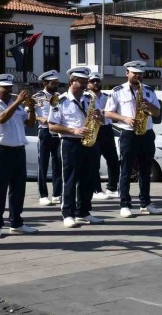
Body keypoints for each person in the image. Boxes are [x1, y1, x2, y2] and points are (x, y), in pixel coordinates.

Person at [0, 74, 39, 238]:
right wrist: (18, 102)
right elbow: (1, 119)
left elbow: (30, 123)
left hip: (19, 150)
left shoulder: (17, 106)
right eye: (5, 88)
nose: (9, 90)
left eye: (10, 88)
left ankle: (16, 222)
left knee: (18, 189)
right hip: (1, 150)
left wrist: (32, 108)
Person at [104, 61, 162, 218]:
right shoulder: (117, 91)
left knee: (145, 170)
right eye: (134, 73)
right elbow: (108, 113)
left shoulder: (149, 90)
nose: (138, 76)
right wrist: (125, 118)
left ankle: (145, 203)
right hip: (129, 133)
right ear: (127, 73)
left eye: (140, 73)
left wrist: (148, 105)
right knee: (126, 169)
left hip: (147, 132)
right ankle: (125, 204)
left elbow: (157, 113)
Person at [49, 67, 106, 228]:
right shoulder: (60, 100)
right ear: (71, 82)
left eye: (85, 82)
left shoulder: (89, 98)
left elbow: (103, 121)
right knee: (70, 179)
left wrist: (99, 117)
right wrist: (73, 130)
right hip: (70, 143)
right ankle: (68, 214)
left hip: (89, 142)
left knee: (88, 178)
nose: (84, 85)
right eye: (80, 82)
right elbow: (52, 126)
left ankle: (84, 212)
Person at [86, 72, 120, 200]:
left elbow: (113, 112)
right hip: (94, 129)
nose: (95, 83)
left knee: (113, 160)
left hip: (107, 129)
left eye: (97, 81)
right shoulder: (85, 97)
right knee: (94, 162)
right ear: (88, 84)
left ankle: (112, 188)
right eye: (92, 81)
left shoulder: (107, 96)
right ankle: (96, 190)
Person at [34, 70, 62, 206]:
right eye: (53, 83)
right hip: (45, 131)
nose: (56, 85)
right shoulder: (38, 96)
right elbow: (30, 114)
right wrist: (41, 118)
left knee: (58, 163)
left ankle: (57, 193)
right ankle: (43, 195)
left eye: (56, 83)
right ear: (45, 83)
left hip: (57, 131)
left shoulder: (59, 96)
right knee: (43, 164)